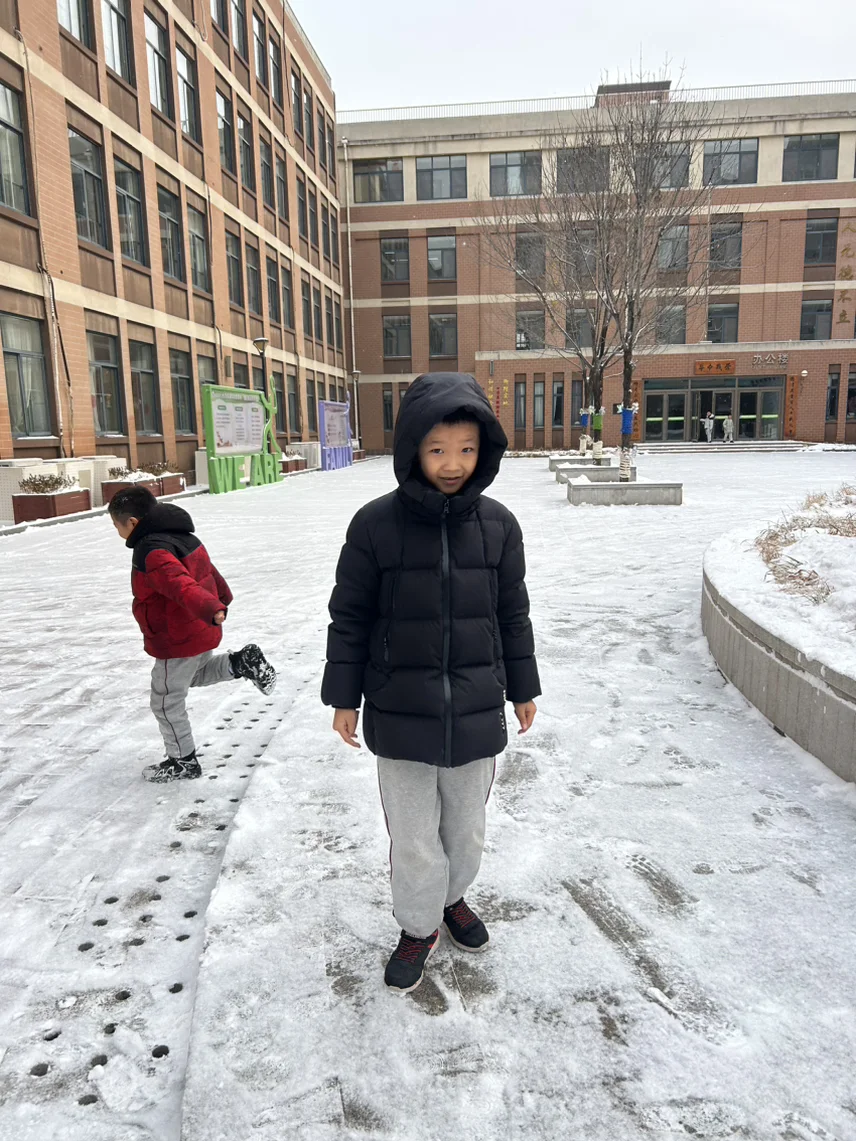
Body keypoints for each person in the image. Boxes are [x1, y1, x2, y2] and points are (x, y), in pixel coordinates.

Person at [322, 372, 541, 994]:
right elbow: (350, 616)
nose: (452, 464)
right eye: (438, 449)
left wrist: (523, 687)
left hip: (475, 708)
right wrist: (343, 697)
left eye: (467, 449)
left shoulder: (498, 525)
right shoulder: (375, 525)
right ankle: (419, 926)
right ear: (413, 449)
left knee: (465, 830)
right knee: (415, 836)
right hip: (400, 711)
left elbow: (512, 614)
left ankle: (452, 899)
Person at [109, 486, 277, 783]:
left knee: (165, 700)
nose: (117, 531)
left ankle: (183, 761)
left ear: (132, 522)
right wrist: (220, 599)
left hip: (177, 637)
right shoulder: (182, 536)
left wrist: (211, 606)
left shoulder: (151, 551)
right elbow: (208, 572)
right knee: (194, 674)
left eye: (116, 525)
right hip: (200, 628)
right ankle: (241, 662)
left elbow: (180, 584)